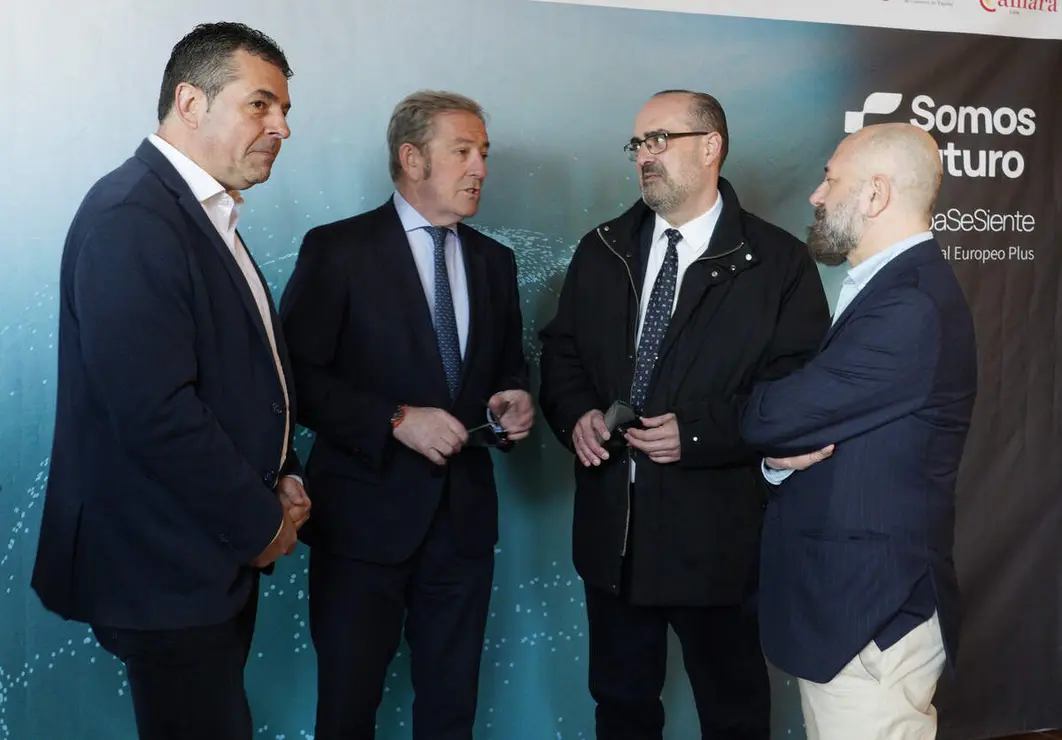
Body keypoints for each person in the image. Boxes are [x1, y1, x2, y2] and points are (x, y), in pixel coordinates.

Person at [30, 22, 309, 740]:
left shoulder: (198, 213)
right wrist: (262, 523)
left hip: (203, 557)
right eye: (261, 105)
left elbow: (244, 376)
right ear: (190, 101)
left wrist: (284, 471)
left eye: (284, 111)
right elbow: (155, 413)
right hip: (165, 567)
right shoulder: (134, 218)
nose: (281, 127)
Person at [537, 89, 831, 740]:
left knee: (733, 715)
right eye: (638, 144)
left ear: (710, 147)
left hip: (719, 543)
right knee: (621, 711)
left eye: (660, 140)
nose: (645, 156)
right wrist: (578, 413)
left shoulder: (778, 263)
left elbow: (797, 391)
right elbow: (562, 353)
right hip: (614, 541)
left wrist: (698, 434)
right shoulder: (603, 249)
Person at [279, 89, 533, 739]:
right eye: (463, 152)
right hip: (361, 525)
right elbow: (293, 381)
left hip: (464, 529)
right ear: (413, 159)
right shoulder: (337, 251)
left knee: (451, 711)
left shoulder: (494, 263)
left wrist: (513, 401)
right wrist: (395, 418)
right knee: (347, 706)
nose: (480, 167)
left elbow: (505, 369)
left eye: (484, 153)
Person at [740, 122, 978, 740]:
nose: (817, 196)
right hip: (852, 611)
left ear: (874, 194)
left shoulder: (909, 305)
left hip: (872, 616)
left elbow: (769, 417)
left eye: (830, 179)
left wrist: (767, 416)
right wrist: (777, 452)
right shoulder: (891, 289)